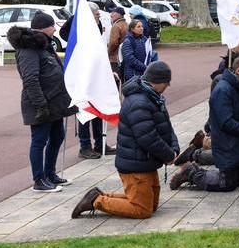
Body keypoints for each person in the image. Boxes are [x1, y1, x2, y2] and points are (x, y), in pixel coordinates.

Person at [71, 61, 179, 219]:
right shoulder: (139, 103)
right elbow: (148, 138)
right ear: (157, 81)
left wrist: (174, 148)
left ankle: (99, 195)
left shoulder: (154, 98)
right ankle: (96, 201)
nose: (168, 85)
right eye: (166, 82)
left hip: (145, 162)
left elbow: (167, 127)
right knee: (142, 210)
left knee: (151, 205)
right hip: (136, 165)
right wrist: (169, 156)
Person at [168, 56, 239, 192]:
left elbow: (237, 113)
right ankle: (190, 172)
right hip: (226, 142)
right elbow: (226, 122)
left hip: (235, 142)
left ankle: (194, 169)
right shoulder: (223, 90)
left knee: (237, 181)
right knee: (227, 184)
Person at [9, 12, 75, 193]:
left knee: (57, 136)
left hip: (54, 103)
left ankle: (50, 174)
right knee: (39, 141)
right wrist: (41, 106)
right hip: (40, 105)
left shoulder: (44, 44)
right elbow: (30, 79)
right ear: (44, 28)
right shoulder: (28, 48)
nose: (55, 28)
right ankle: (39, 180)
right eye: (53, 25)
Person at [61, 2, 116, 160]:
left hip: (95, 73)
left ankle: (100, 143)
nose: (99, 16)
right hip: (82, 74)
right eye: (96, 14)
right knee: (85, 111)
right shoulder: (77, 21)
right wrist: (76, 42)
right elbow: (65, 33)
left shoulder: (95, 24)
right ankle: (85, 146)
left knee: (98, 109)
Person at [107, 6, 128, 78]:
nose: (111, 15)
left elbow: (113, 43)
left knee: (115, 79)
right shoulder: (126, 24)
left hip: (115, 58)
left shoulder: (116, 26)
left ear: (119, 14)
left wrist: (108, 53)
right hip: (124, 56)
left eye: (113, 13)